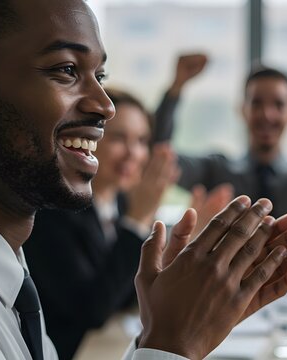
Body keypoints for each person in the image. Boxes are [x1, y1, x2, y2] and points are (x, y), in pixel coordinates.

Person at [0, 1, 287, 360]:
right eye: (66, 69)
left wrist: (160, 331)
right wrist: (172, 345)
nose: (105, 106)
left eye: (99, 75)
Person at [154, 57, 287, 283]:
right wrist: (175, 89)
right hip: (228, 308)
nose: (267, 114)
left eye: (278, 104)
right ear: (242, 110)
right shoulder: (215, 171)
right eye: (257, 103)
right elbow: (160, 160)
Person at [23, 88, 181, 359]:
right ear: (89, 140)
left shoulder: (118, 202)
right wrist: (135, 222)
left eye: (142, 140)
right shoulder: (53, 212)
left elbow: (127, 292)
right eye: (120, 138)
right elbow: (92, 309)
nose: (134, 153)